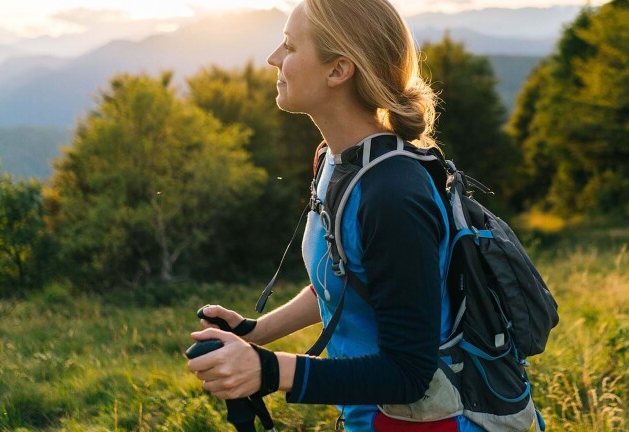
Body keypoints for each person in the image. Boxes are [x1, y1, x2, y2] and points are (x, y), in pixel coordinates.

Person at [187, 0, 485, 430]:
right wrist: (254, 331)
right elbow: (350, 278)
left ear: (338, 70)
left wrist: (268, 370)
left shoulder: (393, 196)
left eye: (289, 46)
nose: (274, 58)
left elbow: (408, 375)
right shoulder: (334, 161)